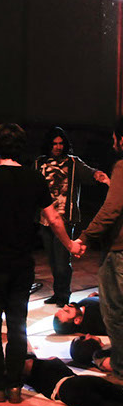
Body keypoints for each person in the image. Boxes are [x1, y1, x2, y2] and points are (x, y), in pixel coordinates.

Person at [0, 123, 82, 403]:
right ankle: (15, 386)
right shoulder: (34, 178)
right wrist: (70, 245)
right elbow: (54, 218)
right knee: (17, 326)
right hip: (21, 264)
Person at [35, 126, 109, 306]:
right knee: (53, 261)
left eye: (61, 143)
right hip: (45, 220)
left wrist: (99, 176)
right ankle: (58, 293)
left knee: (62, 261)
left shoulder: (73, 163)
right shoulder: (39, 163)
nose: (58, 147)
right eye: (55, 144)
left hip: (65, 219)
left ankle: (63, 295)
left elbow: (90, 173)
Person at [76, 120, 123, 380]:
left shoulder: (122, 165)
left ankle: (121, 365)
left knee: (114, 311)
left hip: (119, 250)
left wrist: (85, 237)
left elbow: (112, 209)